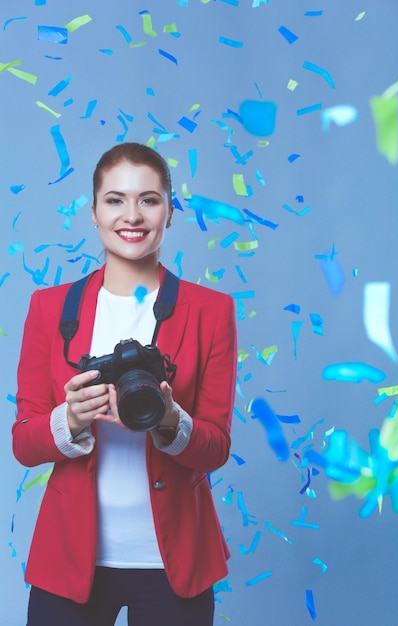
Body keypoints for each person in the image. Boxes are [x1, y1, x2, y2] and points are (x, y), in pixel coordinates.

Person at [12, 142, 237, 626]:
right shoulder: (49, 309)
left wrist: (171, 420)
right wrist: (68, 419)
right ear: (93, 212)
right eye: (115, 200)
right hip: (70, 559)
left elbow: (216, 448)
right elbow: (24, 444)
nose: (131, 215)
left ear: (170, 211)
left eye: (148, 199)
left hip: (177, 561)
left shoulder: (212, 311)